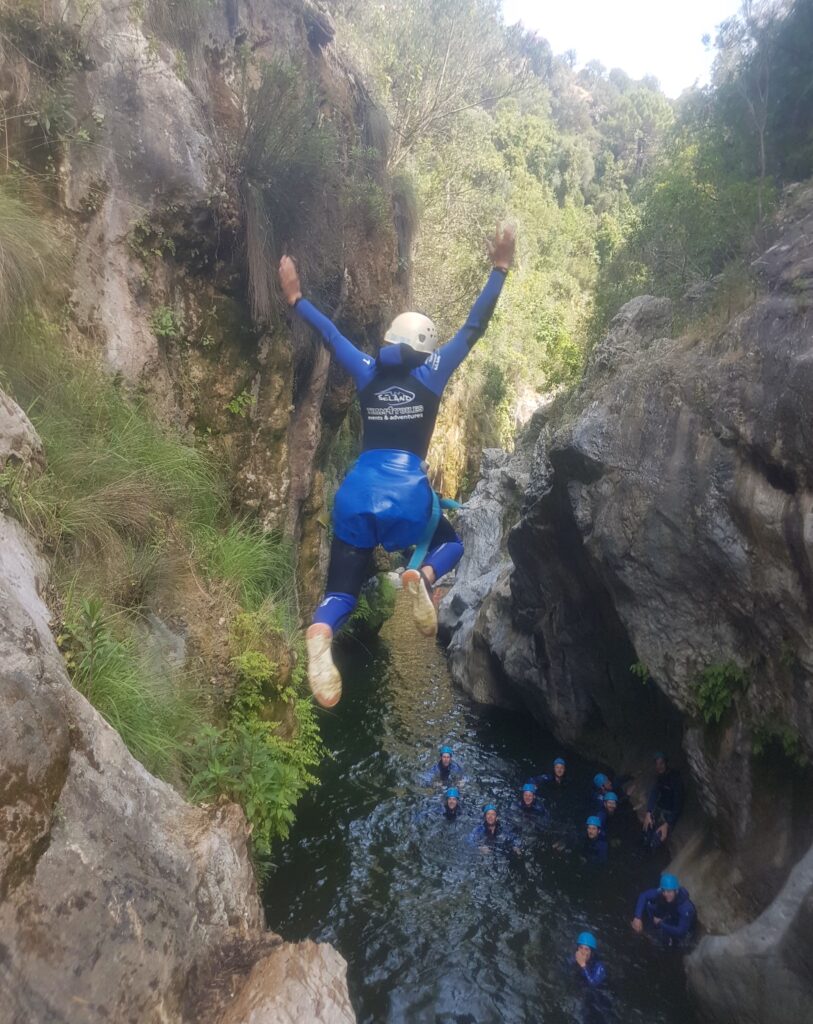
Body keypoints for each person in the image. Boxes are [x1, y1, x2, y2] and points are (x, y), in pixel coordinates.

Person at [278, 224, 516, 706]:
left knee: (342, 590)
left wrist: (296, 298)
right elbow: (474, 327)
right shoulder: (432, 374)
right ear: (426, 345)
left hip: (356, 494)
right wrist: (499, 269)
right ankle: (423, 577)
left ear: (390, 338)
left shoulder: (367, 370)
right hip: (409, 496)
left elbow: (331, 334)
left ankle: (321, 629)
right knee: (450, 544)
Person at [631, 873, 696, 947]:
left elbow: (680, 931)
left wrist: (660, 923)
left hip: (683, 925)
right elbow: (644, 895)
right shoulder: (663, 892)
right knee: (649, 905)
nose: (665, 894)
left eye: (669, 892)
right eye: (664, 891)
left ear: (676, 891)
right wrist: (637, 917)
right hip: (671, 912)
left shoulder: (685, 908)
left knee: (670, 941)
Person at [643, 753, 684, 850]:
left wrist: (667, 823)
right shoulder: (660, 778)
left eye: (661, 763)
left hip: (669, 812)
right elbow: (654, 793)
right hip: (660, 808)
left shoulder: (674, 779)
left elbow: (678, 804)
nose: (659, 767)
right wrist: (648, 813)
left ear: (666, 763)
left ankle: (652, 852)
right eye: (657, 764)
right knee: (647, 829)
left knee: (657, 838)